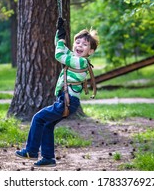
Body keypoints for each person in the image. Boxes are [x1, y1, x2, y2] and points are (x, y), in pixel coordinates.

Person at [15, 17, 99, 167]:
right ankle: (48, 158)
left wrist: (61, 43)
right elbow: (59, 47)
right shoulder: (74, 57)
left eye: (84, 45)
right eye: (77, 43)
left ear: (90, 51)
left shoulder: (81, 62)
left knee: (38, 118)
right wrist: (59, 34)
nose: (79, 46)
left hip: (68, 101)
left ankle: (31, 150)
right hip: (64, 100)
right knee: (47, 125)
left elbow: (59, 55)